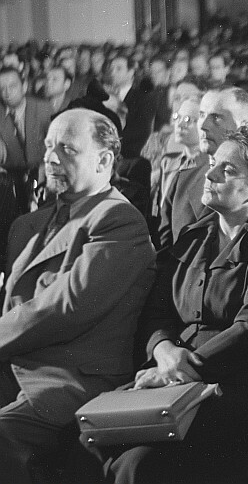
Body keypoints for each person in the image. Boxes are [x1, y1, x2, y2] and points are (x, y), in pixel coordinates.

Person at [100, 127, 248, 484]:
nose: (208, 175)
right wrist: (164, 352)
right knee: (90, 437)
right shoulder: (194, 236)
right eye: (213, 164)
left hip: (236, 388)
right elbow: (157, 313)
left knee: (139, 465)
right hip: (175, 381)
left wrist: (179, 369)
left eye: (226, 170)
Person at [0, 108, 156, 483]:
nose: (51, 158)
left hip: (69, 380)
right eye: (49, 146)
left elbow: (65, 308)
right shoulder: (30, 224)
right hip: (16, 366)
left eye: (67, 149)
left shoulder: (118, 220)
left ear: (104, 160)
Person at [159, 86, 248, 250]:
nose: (202, 125)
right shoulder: (183, 178)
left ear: (244, 125)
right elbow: (165, 247)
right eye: (202, 115)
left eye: (216, 118)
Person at [0, 66, 52, 267]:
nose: (7, 92)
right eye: (2, 88)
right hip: (11, 175)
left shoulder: (43, 108)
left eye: (12, 86)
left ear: (24, 85)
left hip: (42, 169)